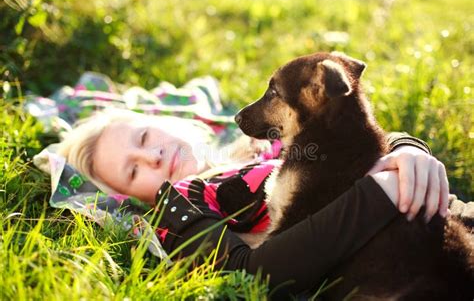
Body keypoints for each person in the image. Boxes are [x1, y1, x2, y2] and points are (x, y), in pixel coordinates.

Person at [56, 108, 450, 296]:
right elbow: (254, 271)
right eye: (133, 170)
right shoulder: (180, 209)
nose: (153, 156)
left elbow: (352, 139)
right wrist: (378, 194)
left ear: (161, 122)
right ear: (131, 196)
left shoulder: (260, 143)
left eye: (144, 138)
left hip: (442, 216)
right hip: (398, 274)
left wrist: (408, 150)